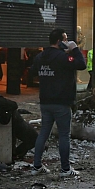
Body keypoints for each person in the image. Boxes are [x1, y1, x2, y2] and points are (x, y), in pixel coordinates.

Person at [30, 28, 86, 177]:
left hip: (45, 101)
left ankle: (36, 166)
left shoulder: (40, 56)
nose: (67, 42)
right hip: (61, 102)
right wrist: (74, 49)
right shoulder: (62, 57)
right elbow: (81, 64)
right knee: (63, 135)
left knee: (43, 133)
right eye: (65, 40)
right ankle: (65, 169)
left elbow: (32, 72)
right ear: (59, 41)